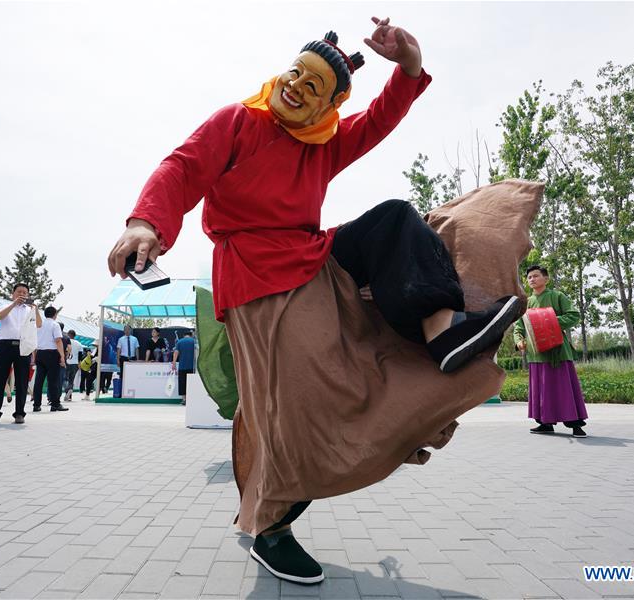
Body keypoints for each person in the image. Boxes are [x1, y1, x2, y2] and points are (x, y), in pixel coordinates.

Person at [108, 18, 522, 584]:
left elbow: (379, 120)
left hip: (314, 258)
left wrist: (409, 65)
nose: (297, 86)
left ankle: (443, 328)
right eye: (294, 73)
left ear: (326, 107)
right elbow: (182, 167)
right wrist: (144, 223)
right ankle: (271, 527)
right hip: (256, 276)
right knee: (299, 405)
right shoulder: (238, 121)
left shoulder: (322, 147)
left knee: (396, 219)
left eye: (314, 87)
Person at [513, 265, 589, 437]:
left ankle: (575, 424)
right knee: (541, 391)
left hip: (558, 353)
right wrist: (519, 341)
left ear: (546, 279)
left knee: (564, 389)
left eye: (536, 276)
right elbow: (519, 327)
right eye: (529, 277)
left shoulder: (557, 296)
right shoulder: (526, 303)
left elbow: (573, 315)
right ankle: (545, 423)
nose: (532, 279)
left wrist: (547, 320)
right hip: (536, 354)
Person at [0, 283, 42, 425]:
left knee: (22, 381)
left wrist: (36, 310)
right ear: (13, 293)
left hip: (23, 347)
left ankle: (19, 414)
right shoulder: (6, 307)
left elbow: (39, 324)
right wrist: (13, 304)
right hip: (5, 345)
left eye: (24, 292)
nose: (21, 294)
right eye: (19, 292)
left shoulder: (30, 310)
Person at [32, 307, 69, 413]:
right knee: (53, 381)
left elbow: (35, 342)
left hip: (40, 353)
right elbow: (58, 341)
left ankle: (36, 405)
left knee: (38, 381)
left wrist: (34, 356)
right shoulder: (55, 324)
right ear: (55, 314)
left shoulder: (39, 325)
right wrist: (62, 356)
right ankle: (55, 404)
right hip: (52, 354)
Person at [171, 330, 196, 406]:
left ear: (184, 336)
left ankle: (184, 399)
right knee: (191, 384)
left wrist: (174, 363)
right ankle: (191, 399)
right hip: (192, 366)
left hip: (182, 366)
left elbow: (176, 352)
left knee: (182, 383)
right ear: (191, 335)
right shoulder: (194, 341)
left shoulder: (180, 342)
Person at [63, 330, 83, 401]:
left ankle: (67, 390)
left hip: (66, 362)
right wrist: (79, 363)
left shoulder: (66, 341)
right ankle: (69, 395)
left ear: (68, 334)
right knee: (71, 380)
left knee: (64, 379)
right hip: (75, 364)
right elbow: (80, 355)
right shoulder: (79, 344)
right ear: (75, 335)